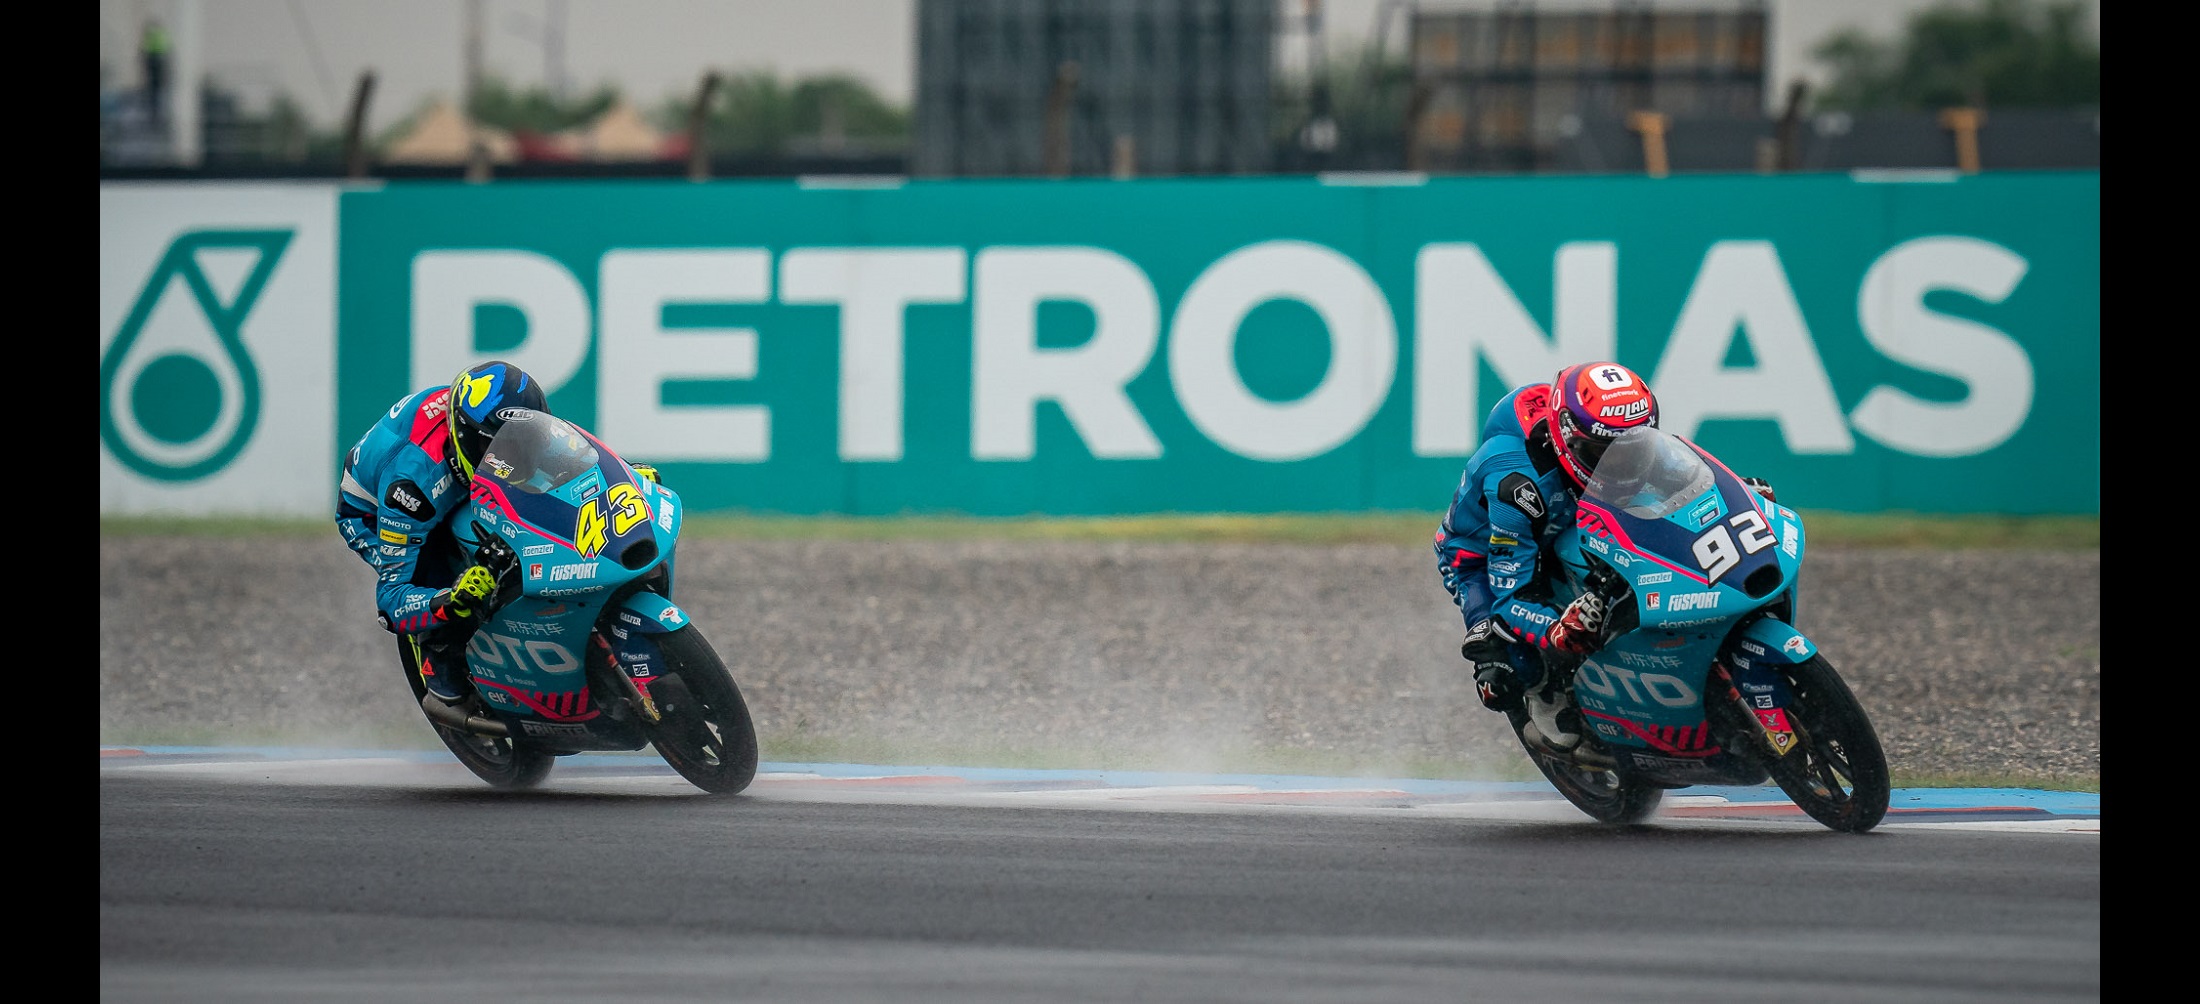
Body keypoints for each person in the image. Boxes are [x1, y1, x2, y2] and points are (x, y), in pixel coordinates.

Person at [1434, 361, 1775, 751]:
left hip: (1570, 514)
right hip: (1480, 559)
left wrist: (1736, 496)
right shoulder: (1518, 487)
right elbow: (1511, 598)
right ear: (1568, 440)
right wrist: (1555, 630)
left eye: (1635, 448)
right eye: (1603, 453)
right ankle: (1543, 691)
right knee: (1506, 669)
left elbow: (1678, 480)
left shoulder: (1616, 437)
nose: (1623, 466)